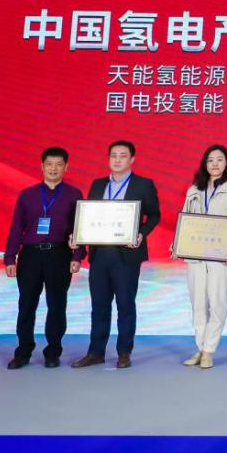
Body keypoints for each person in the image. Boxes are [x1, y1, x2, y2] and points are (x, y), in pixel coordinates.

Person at [70, 140, 161, 370]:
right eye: (113, 155)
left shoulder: (143, 184)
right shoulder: (98, 184)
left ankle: (124, 352)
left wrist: (141, 233)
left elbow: (154, 215)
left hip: (126, 255)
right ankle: (96, 352)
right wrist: (78, 236)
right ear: (108, 158)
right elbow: (89, 217)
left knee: (125, 305)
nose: (117, 160)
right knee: (99, 305)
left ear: (132, 159)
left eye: (123, 156)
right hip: (100, 253)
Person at [3, 147, 83, 369]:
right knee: (26, 304)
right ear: (42, 166)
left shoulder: (74, 195)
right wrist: (10, 258)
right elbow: (16, 227)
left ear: (66, 167)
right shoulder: (27, 195)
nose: (53, 169)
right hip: (30, 255)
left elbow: (80, 228)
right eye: (49, 164)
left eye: (59, 164)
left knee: (57, 305)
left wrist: (77, 255)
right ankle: (23, 352)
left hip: (60, 254)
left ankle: (53, 352)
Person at [177, 144, 227, 369]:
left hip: (220, 257)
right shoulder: (194, 190)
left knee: (217, 303)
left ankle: (209, 350)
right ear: (204, 164)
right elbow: (185, 220)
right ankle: (200, 347)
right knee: (198, 303)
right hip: (195, 256)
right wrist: (178, 244)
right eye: (210, 160)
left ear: (226, 163)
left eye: (219, 159)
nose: (215, 164)